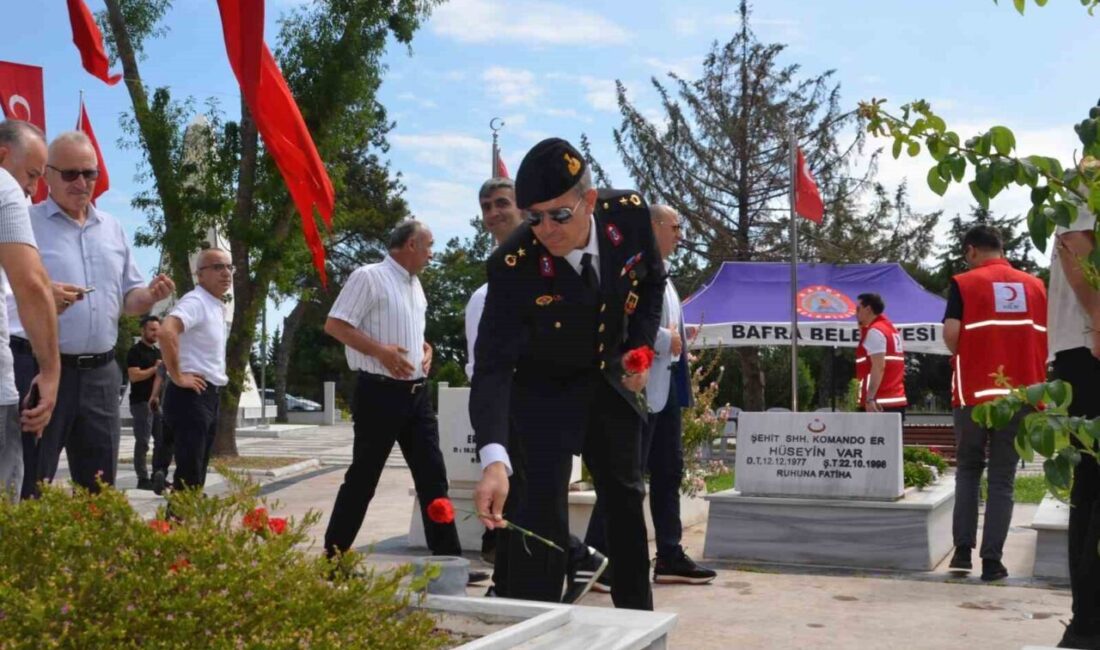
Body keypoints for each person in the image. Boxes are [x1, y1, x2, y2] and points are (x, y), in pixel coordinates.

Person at [471, 138, 665, 610]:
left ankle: (639, 623)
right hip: (543, 392)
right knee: (541, 515)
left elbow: (652, 278)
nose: (546, 230)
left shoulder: (630, 214)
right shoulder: (512, 266)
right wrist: (493, 457)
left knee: (624, 501)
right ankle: (538, 623)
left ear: (590, 202)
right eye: (533, 217)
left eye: (559, 215)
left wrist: (639, 346)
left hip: (607, 382)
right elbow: (493, 366)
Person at [464, 176, 607, 603]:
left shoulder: (569, 269)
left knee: (533, 506)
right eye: (486, 205)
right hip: (502, 414)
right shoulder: (486, 291)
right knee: (522, 507)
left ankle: (552, 571)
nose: (495, 213)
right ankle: (520, 584)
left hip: (548, 413)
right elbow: (485, 367)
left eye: (503, 203)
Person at [9, 131, 175, 497]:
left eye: (89, 174)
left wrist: (148, 295)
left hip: (101, 375)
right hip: (41, 370)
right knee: (30, 483)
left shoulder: (112, 229)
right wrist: (44, 297)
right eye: (70, 174)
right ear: (47, 174)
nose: (81, 183)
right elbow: (8, 296)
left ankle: (97, 556)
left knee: (100, 487)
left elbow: (129, 299)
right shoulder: (23, 222)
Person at [584, 204, 715, 592]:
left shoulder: (666, 277)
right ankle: (597, 556)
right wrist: (663, 339)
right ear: (654, 226)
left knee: (668, 473)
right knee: (623, 477)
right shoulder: (633, 269)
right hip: (636, 388)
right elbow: (619, 322)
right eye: (675, 227)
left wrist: (677, 340)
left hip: (667, 386)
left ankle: (670, 555)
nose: (679, 235)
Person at [323, 219, 462, 559]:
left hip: (417, 395)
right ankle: (335, 556)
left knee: (434, 477)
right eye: (428, 246)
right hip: (379, 395)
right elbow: (336, 325)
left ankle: (448, 560)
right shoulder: (368, 277)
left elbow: (411, 331)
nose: (432, 254)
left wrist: (425, 350)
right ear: (411, 244)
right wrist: (380, 352)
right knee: (363, 480)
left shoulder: (416, 286)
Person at [943, 225, 1047, 582]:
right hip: (1020, 395)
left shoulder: (964, 283)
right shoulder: (1036, 287)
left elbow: (951, 335)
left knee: (969, 471)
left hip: (974, 393)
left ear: (971, 251)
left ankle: (961, 552)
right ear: (1000, 249)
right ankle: (992, 561)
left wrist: (969, 356)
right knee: (1003, 479)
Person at [1047, 200, 1100, 649]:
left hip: (1085, 347)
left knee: (1091, 482)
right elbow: (1076, 242)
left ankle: (1087, 623)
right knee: (1094, 482)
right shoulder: (1091, 174)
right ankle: (1089, 623)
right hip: (1089, 348)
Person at [0, 120, 59, 501]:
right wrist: (51, 371)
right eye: (32, 174)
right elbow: (32, 285)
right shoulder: (4, 187)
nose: (32, 189)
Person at [158, 248, 230, 492]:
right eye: (218, 267)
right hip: (190, 397)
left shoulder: (214, 305)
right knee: (189, 476)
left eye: (229, 267)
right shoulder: (196, 301)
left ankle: (181, 526)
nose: (226, 273)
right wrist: (177, 375)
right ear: (200, 274)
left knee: (195, 475)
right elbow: (167, 331)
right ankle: (174, 527)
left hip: (209, 395)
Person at [126, 315, 164, 490]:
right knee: (143, 441)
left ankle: (158, 475)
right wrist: (155, 369)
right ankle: (142, 478)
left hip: (156, 402)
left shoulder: (158, 352)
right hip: (140, 402)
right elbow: (134, 376)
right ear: (143, 330)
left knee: (162, 440)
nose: (156, 333)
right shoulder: (135, 352)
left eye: (158, 329)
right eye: (152, 329)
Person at [854, 293, 907, 413]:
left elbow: (878, 366)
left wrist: (870, 398)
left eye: (858, 309)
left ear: (868, 309)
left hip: (878, 403)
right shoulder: (889, 329)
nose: (856, 313)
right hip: (894, 398)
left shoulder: (875, 331)